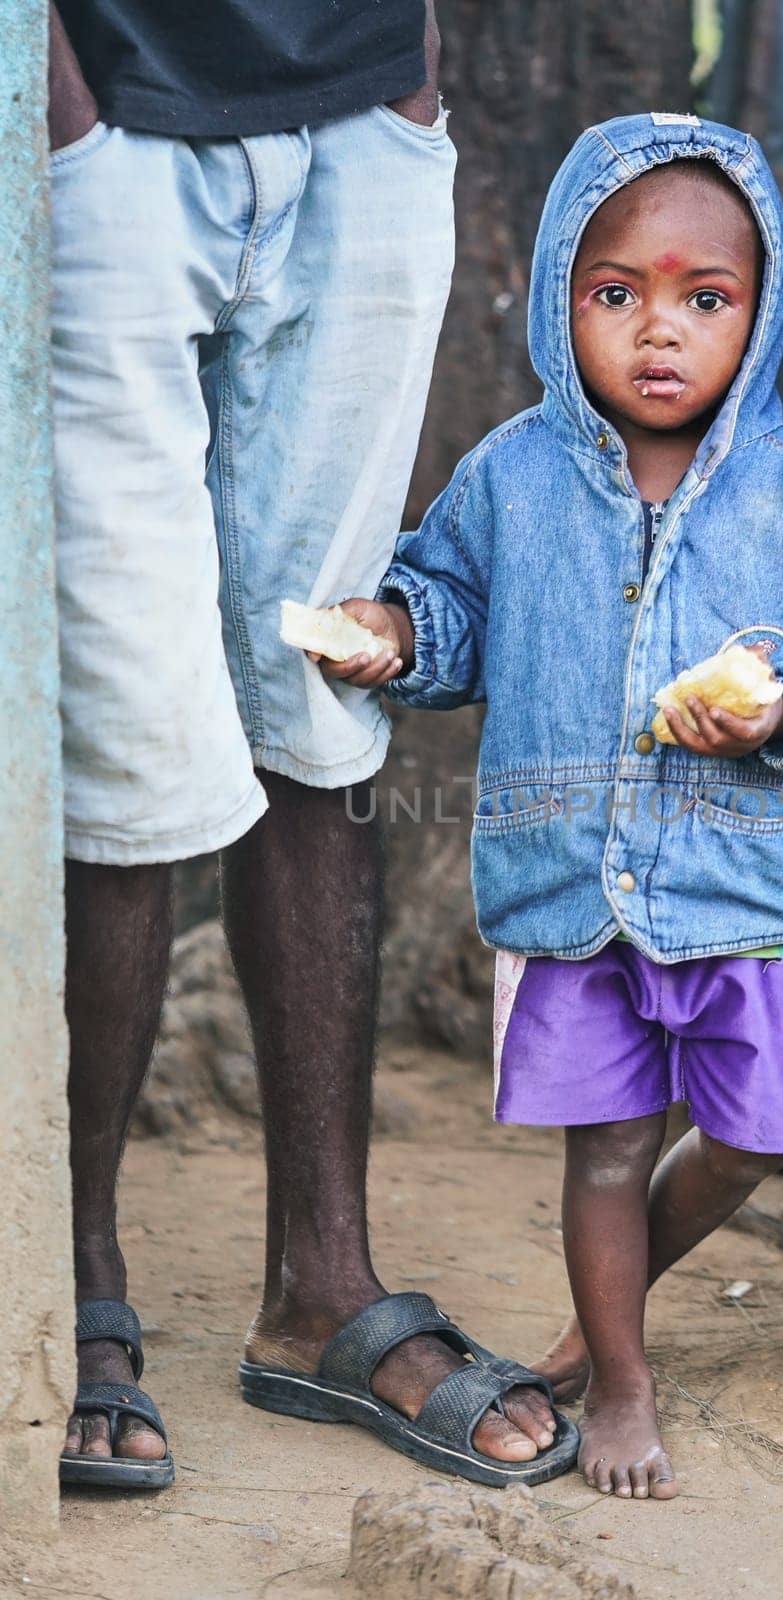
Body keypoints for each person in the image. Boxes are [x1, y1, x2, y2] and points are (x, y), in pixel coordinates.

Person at [309, 113, 783, 1500]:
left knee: (760, 1143)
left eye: (704, 300)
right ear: (559, 297)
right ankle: (624, 1377)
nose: (660, 334)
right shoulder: (513, 474)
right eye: (617, 295)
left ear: (761, 315)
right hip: (571, 889)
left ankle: (591, 1330)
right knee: (606, 1154)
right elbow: (453, 602)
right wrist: (397, 631)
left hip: (738, 884)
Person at [51, 0, 576, 1491]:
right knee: (129, 738)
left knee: (322, 696)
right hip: (109, 133)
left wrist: (405, 79)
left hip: (360, 122)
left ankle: (321, 1288)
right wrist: (61, 115)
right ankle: (76, 1277)